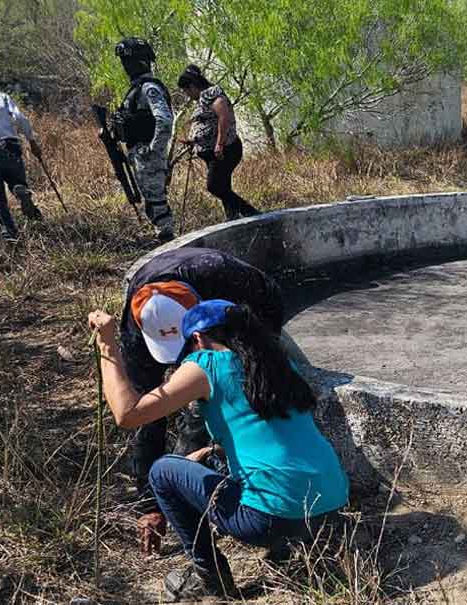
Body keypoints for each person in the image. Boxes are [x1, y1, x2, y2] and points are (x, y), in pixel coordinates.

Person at [88, 299, 348, 601]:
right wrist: (208, 451)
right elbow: (267, 433)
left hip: (269, 519)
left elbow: (127, 414)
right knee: (218, 464)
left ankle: (211, 580)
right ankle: (294, 544)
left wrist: (107, 343)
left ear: (198, 339)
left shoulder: (206, 364)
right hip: (330, 505)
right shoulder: (277, 363)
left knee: (162, 471)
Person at [120, 247, 286, 557]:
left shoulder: (225, 277)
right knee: (178, 404)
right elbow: (143, 415)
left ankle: (220, 480)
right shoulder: (134, 329)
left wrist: (258, 362)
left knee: (211, 404)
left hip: (244, 311)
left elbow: (271, 308)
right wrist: (150, 502)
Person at [108, 38, 175, 242]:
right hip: (139, 152)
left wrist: (154, 149)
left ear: (140, 61)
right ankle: (163, 238)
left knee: (156, 201)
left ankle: (168, 241)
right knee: (151, 201)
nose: (126, 66)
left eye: (128, 61)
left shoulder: (148, 89)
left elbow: (164, 120)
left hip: (148, 153)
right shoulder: (137, 89)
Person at [176, 64, 260, 221]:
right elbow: (208, 124)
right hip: (213, 152)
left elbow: (223, 116)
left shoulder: (211, 94)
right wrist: (194, 140)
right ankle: (233, 218)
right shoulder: (203, 98)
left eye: (187, 90)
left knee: (214, 186)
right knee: (224, 187)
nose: (187, 95)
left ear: (193, 86)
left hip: (224, 150)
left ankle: (251, 213)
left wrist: (219, 144)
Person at [0, 75, 44, 241]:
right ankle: (20, 189)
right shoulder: (1, 97)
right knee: (16, 181)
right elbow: (20, 118)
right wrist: (32, 142)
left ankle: (9, 234)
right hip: (9, 146)